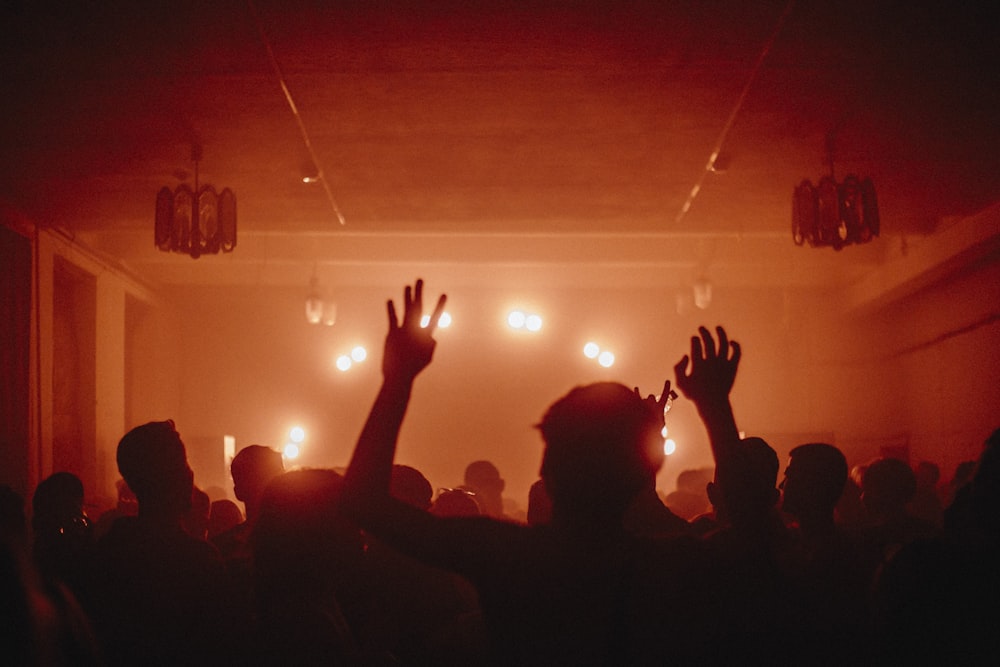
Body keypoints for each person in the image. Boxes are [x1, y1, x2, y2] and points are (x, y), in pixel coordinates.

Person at [341, 280, 712, 665]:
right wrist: (712, 410)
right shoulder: (674, 562)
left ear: (548, 470)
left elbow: (362, 502)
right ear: (644, 472)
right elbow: (751, 529)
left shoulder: (510, 555)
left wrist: (398, 378)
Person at [87, 420, 244, 666]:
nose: (190, 473)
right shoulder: (198, 561)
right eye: (182, 464)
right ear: (169, 478)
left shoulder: (108, 551)